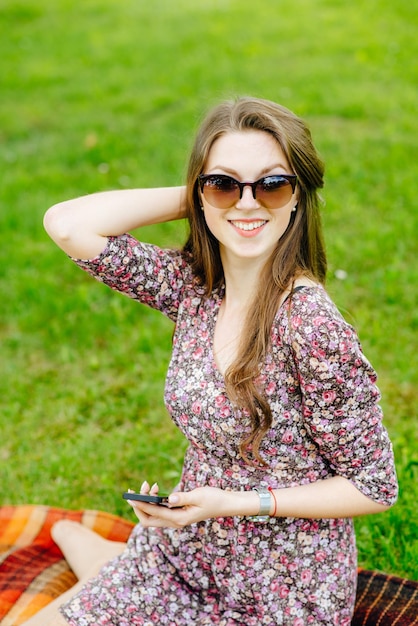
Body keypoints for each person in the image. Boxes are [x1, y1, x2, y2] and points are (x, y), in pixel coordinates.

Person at [28, 96, 398, 626]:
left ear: (299, 196)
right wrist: (212, 199)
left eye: (273, 185)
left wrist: (230, 503)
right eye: (223, 183)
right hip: (187, 550)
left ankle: (98, 561)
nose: (248, 203)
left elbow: (374, 486)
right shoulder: (193, 288)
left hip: (284, 586)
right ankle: (103, 561)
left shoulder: (312, 327)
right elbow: (68, 225)